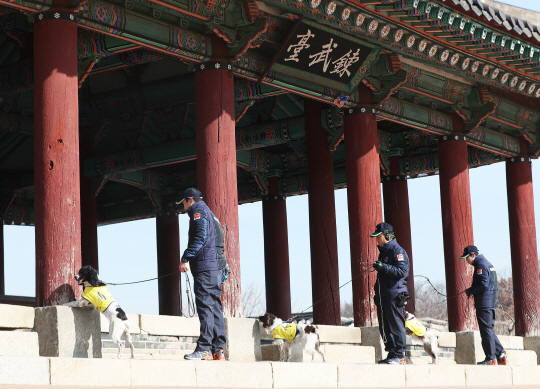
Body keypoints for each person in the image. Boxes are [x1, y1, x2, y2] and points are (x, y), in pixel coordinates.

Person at [177, 188, 226, 361]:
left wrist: (185, 258)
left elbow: (200, 238)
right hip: (215, 269)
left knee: (206, 308)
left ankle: (204, 348)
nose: (182, 205)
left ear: (190, 200)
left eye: (183, 202)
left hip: (206, 268)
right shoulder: (211, 213)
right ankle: (218, 350)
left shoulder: (198, 212)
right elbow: (220, 241)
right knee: (215, 308)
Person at [370, 222, 410, 365]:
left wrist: (383, 267)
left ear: (386, 236)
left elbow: (402, 271)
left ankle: (400, 355)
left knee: (396, 325)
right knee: (384, 326)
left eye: (378, 236)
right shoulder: (384, 253)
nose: (376, 239)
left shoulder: (397, 251)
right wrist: (377, 294)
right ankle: (392, 353)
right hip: (384, 296)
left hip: (395, 295)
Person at [461, 245, 507, 365]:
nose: (466, 261)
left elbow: (483, 284)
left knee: (485, 331)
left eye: (467, 257)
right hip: (490, 302)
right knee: (489, 329)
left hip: (484, 303)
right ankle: (501, 355)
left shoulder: (480, 265)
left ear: (473, 255)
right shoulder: (487, 263)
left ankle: (491, 359)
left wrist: (471, 290)